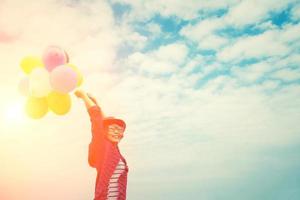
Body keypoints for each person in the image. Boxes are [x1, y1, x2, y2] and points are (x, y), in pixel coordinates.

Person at [75, 89, 129, 200]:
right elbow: (97, 119)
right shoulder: (103, 145)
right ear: (105, 131)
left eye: (120, 130)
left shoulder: (114, 149)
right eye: (113, 129)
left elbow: (104, 122)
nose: (116, 132)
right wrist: (84, 96)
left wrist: (96, 102)